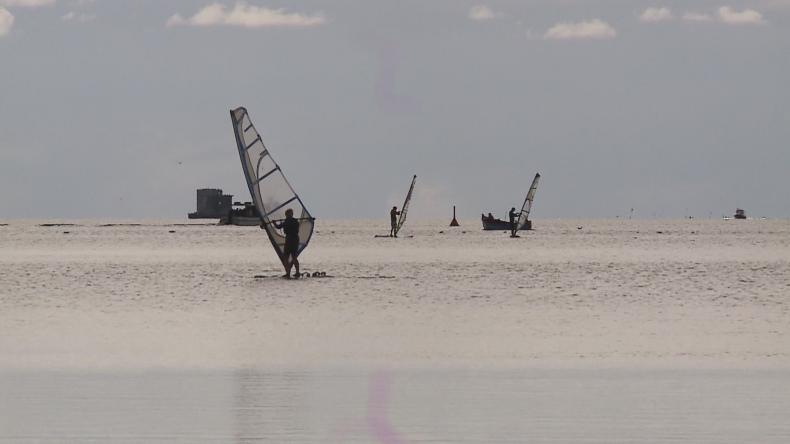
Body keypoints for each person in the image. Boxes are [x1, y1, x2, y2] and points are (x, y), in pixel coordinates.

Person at [272, 208, 301, 278]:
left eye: (288, 214)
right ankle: (296, 272)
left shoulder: (286, 222)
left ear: (287, 214)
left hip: (290, 239)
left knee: (286, 257)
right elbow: (279, 227)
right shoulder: (295, 221)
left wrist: (274, 223)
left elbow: (278, 227)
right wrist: (276, 223)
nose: (287, 215)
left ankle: (289, 273)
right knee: (294, 257)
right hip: (295, 239)